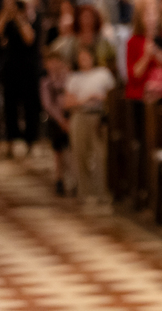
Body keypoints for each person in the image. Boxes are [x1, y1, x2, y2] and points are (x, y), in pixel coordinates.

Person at [64, 46, 115, 209]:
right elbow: (68, 102)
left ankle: (102, 193)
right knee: (81, 154)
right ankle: (84, 193)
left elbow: (113, 97)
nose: (84, 61)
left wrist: (100, 98)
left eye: (87, 57)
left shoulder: (103, 74)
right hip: (80, 115)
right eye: (81, 58)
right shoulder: (74, 77)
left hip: (98, 116)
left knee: (100, 155)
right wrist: (86, 99)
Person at [0, 0, 41, 155]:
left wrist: (18, 17)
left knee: (30, 106)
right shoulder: (8, 19)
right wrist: (6, 12)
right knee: (10, 106)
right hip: (11, 68)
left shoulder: (33, 18)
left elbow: (29, 38)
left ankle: (31, 141)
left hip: (29, 69)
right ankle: (10, 141)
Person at [125, 0, 162, 102]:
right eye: (146, 14)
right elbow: (132, 77)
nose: (151, 18)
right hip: (140, 98)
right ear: (139, 18)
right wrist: (146, 57)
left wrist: (159, 55)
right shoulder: (133, 42)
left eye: (154, 13)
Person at [39, 50, 72, 195]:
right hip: (56, 120)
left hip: (69, 117)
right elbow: (48, 104)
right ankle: (59, 179)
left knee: (71, 150)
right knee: (58, 151)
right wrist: (61, 120)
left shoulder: (68, 79)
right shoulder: (46, 82)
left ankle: (73, 179)